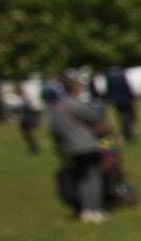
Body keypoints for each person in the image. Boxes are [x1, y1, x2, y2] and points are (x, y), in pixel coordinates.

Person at [46, 76, 111, 222]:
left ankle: (86, 210)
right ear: (75, 89)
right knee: (93, 177)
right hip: (87, 145)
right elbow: (93, 118)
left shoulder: (56, 108)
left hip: (70, 148)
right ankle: (96, 209)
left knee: (82, 178)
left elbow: (53, 130)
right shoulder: (76, 104)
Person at [0, 80, 41, 154]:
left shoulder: (22, 99)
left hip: (26, 120)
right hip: (23, 120)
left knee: (29, 135)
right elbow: (15, 109)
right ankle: (34, 148)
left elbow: (28, 108)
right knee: (28, 136)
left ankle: (35, 149)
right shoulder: (16, 99)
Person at [103, 65, 138, 144]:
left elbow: (108, 90)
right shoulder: (122, 76)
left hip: (117, 100)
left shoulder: (109, 78)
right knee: (128, 117)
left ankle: (127, 132)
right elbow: (127, 87)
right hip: (126, 100)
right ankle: (128, 133)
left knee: (123, 117)